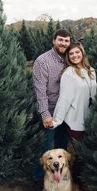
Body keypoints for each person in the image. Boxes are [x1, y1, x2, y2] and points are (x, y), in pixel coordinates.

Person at [52, 42, 97, 191]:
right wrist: (57, 120)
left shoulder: (91, 71)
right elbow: (64, 98)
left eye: (77, 52)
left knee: (87, 152)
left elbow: (94, 95)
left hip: (90, 118)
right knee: (82, 153)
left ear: (82, 53)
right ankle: (79, 185)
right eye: (71, 54)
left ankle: (78, 179)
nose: (74, 56)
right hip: (75, 120)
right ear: (68, 57)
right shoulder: (69, 73)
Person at [32, 29, 71, 181]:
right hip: (50, 112)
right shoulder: (43, 61)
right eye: (60, 40)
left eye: (67, 41)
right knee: (46, 148)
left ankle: (59, 177)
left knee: (62, 147)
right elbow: (39, 90)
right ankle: (39, 178)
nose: (64, 43)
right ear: (53, 40)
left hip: (65, 112)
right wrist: (45, 114)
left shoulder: (68, 59)